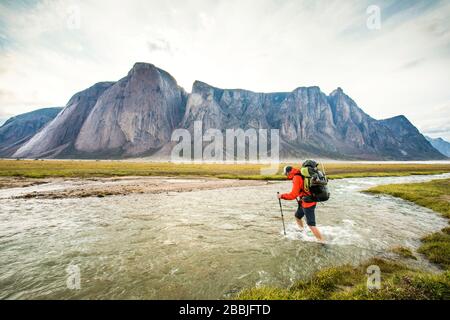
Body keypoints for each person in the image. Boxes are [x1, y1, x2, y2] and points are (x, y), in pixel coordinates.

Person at [277, 165, 324, 242]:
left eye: (286, 173)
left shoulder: (296, 178)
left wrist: (281, 196)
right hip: (304, 201)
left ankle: (322, 242)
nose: (285, 175)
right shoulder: (300, 173)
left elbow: (293, 195)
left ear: (289, 172)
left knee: (311, 225)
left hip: (308, 203)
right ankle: (302, 231)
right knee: (297, 216)